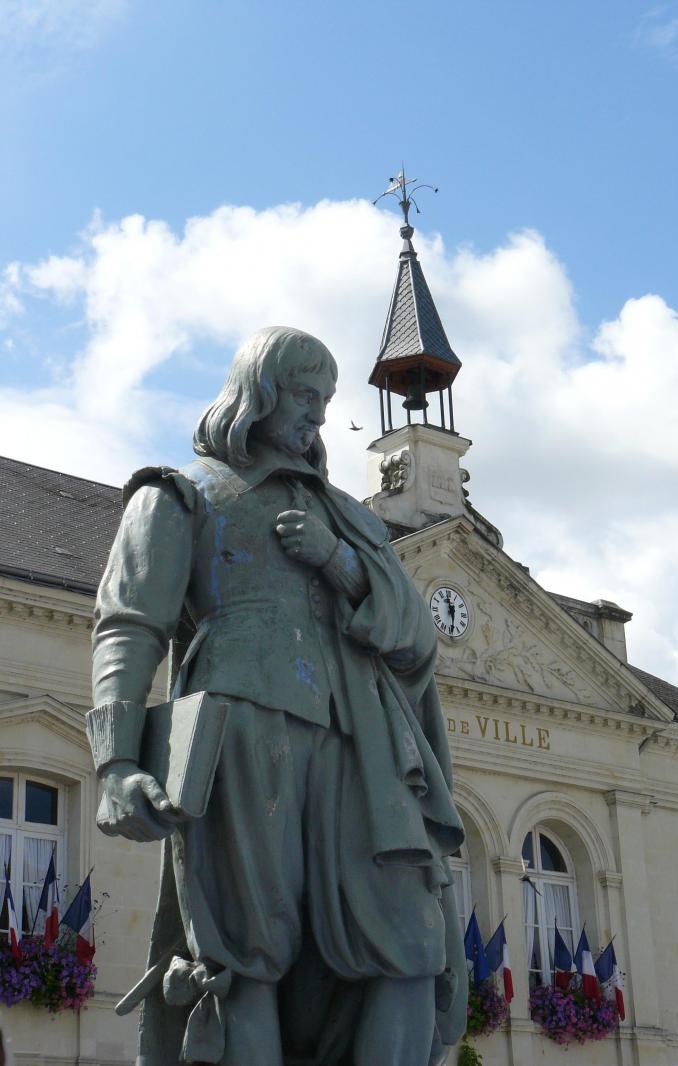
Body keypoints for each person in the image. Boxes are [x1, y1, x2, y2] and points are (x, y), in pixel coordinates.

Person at [86, 326, 467, 1066]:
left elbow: (416, 639)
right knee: (244, 950)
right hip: (243, 720)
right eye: (302, 396)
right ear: (256, 392)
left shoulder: (352, 518)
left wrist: (341, 566)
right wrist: (115, 763)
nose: (317, 417)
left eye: (325, 401)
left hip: (365, 742)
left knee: (409, 942)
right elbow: (130, 625)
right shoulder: (185, 493)